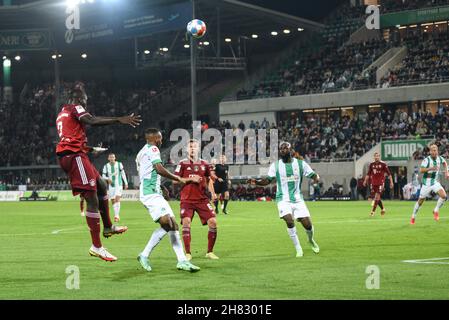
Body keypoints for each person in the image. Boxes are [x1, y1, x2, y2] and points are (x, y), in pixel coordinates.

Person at [56, 82, 141, 262]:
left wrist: (88, 149)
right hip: (74, 156)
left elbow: (70, 137)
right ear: (78, 99)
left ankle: (109, 226)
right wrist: (119, 119)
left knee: (102, 186)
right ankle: (97, 246)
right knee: (91, 198)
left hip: (76, 154)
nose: (86, 105)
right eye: (85, 101)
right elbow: (92, 121)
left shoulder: (61, 113)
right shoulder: (74, 107)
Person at [136, 128, 201, 272]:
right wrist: (179, 178)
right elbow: (158, 169)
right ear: (153, 138)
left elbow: (147, 172)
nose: (161, 140)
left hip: (154, 191)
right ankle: (144, 254)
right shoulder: (153, 149)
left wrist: (161, 187)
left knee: (173, 225)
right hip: (150, 193)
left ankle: (182, 261)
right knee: (167, 222)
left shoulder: (141, 151)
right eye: (159, 138)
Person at [248, 141, 320, 257]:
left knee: (308, 225)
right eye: (281, 149)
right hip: (283, 198)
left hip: (297, 199)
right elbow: (268, 180)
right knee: (289, 220)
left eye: (285, 148)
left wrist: (316, 179)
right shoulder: (275, 166)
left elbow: (312, 175)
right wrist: (257, 182)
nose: (283, 151)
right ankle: (298, 248)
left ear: (291, 151)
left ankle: (311, 240)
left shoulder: (301, 164)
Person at [174, 139, 219, 261]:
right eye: (190, 147)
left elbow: (209, 180)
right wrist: (190, 179)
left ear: (198, 149)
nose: (193, 148)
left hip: (202, 200)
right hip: (187, 200)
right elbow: (174, 180)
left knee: (213, 222)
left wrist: (213, 194)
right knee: (187, 222)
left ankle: (209, 252)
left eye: (195, 146)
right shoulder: (182, 164)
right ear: (187, 149)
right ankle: (188, 253)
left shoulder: (204, 164)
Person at [410, 144, 449, 225]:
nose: (434, 152)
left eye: (435, 150)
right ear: (430, 152)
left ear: (437, 151)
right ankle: (413, 216)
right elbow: (421, 170)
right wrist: (431, 168)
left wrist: (447, 172)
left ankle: (436, 210)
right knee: (420, 201)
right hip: (426, 184)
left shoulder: (440, 158)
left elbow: (445, 163)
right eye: (432, 150)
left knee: (444, 196)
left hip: (434, 182)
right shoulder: (426, 160)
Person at [363, 152, 393, 217]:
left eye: (378, 156)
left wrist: (391, 182)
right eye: (375, 156)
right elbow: (368, 174)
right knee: (377, 198)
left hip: (381, 183)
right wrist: (365, 181)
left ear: (379, 157)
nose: (376, 157)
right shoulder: (372, 164)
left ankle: (372, 212)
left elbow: (389, 174)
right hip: (374, 183)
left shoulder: (383, 164)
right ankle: (383, 209)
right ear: (374, 157)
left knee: (377, 196)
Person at [102, 153, 128, 222]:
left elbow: (123, 174)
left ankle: (116, 216)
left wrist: (126, 183)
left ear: (115, 158)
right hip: (111, 186)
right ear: (108, 158)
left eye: (113, 157)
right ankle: (116, 215)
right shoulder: (106, 166)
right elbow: (103, 176)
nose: (112, 158)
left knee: (117, 199)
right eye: (110, 157)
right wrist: (107, 179)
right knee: (113, 200)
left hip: (119, 184)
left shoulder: (119, 164)